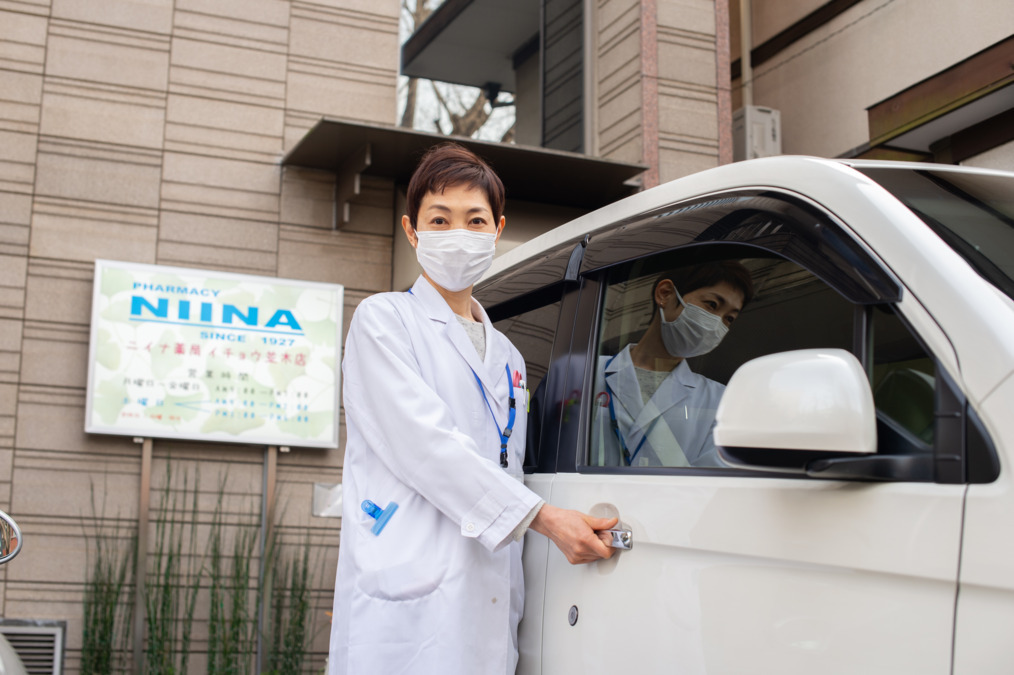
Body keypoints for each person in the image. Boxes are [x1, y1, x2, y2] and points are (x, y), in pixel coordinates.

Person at [328, 142, 616, 675]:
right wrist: (545, 519)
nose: (458, 234)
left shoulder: (506, 354)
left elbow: (506, 461)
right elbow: (425, 446)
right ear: (412, 231)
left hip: (486, 591)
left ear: (497, 229)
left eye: (474, 219)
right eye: (440, 219)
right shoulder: (383, 320)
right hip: (408, 599)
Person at [591, 261, 754, 467]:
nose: (716, 324)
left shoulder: (722, 402)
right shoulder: (581, 374)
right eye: (712, 305)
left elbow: (710, 486)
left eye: (728, 318)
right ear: (665, 294)